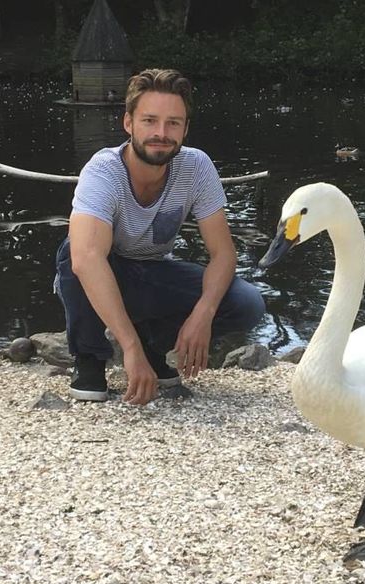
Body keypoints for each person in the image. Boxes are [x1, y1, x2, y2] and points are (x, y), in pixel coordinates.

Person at [54, 68, 265, 405]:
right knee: (75, 252)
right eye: (150, 121)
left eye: (173, 123)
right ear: (129, 123)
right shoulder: (102, 170)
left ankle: (153, 346)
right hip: (104, 270)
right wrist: (128, 348)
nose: (161, 133)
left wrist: (203, 314)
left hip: (151, 271)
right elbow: (87, 258)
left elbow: (223, 254)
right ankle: (90, 356)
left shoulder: (197, 167)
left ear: (185, 129)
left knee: (247, 303)